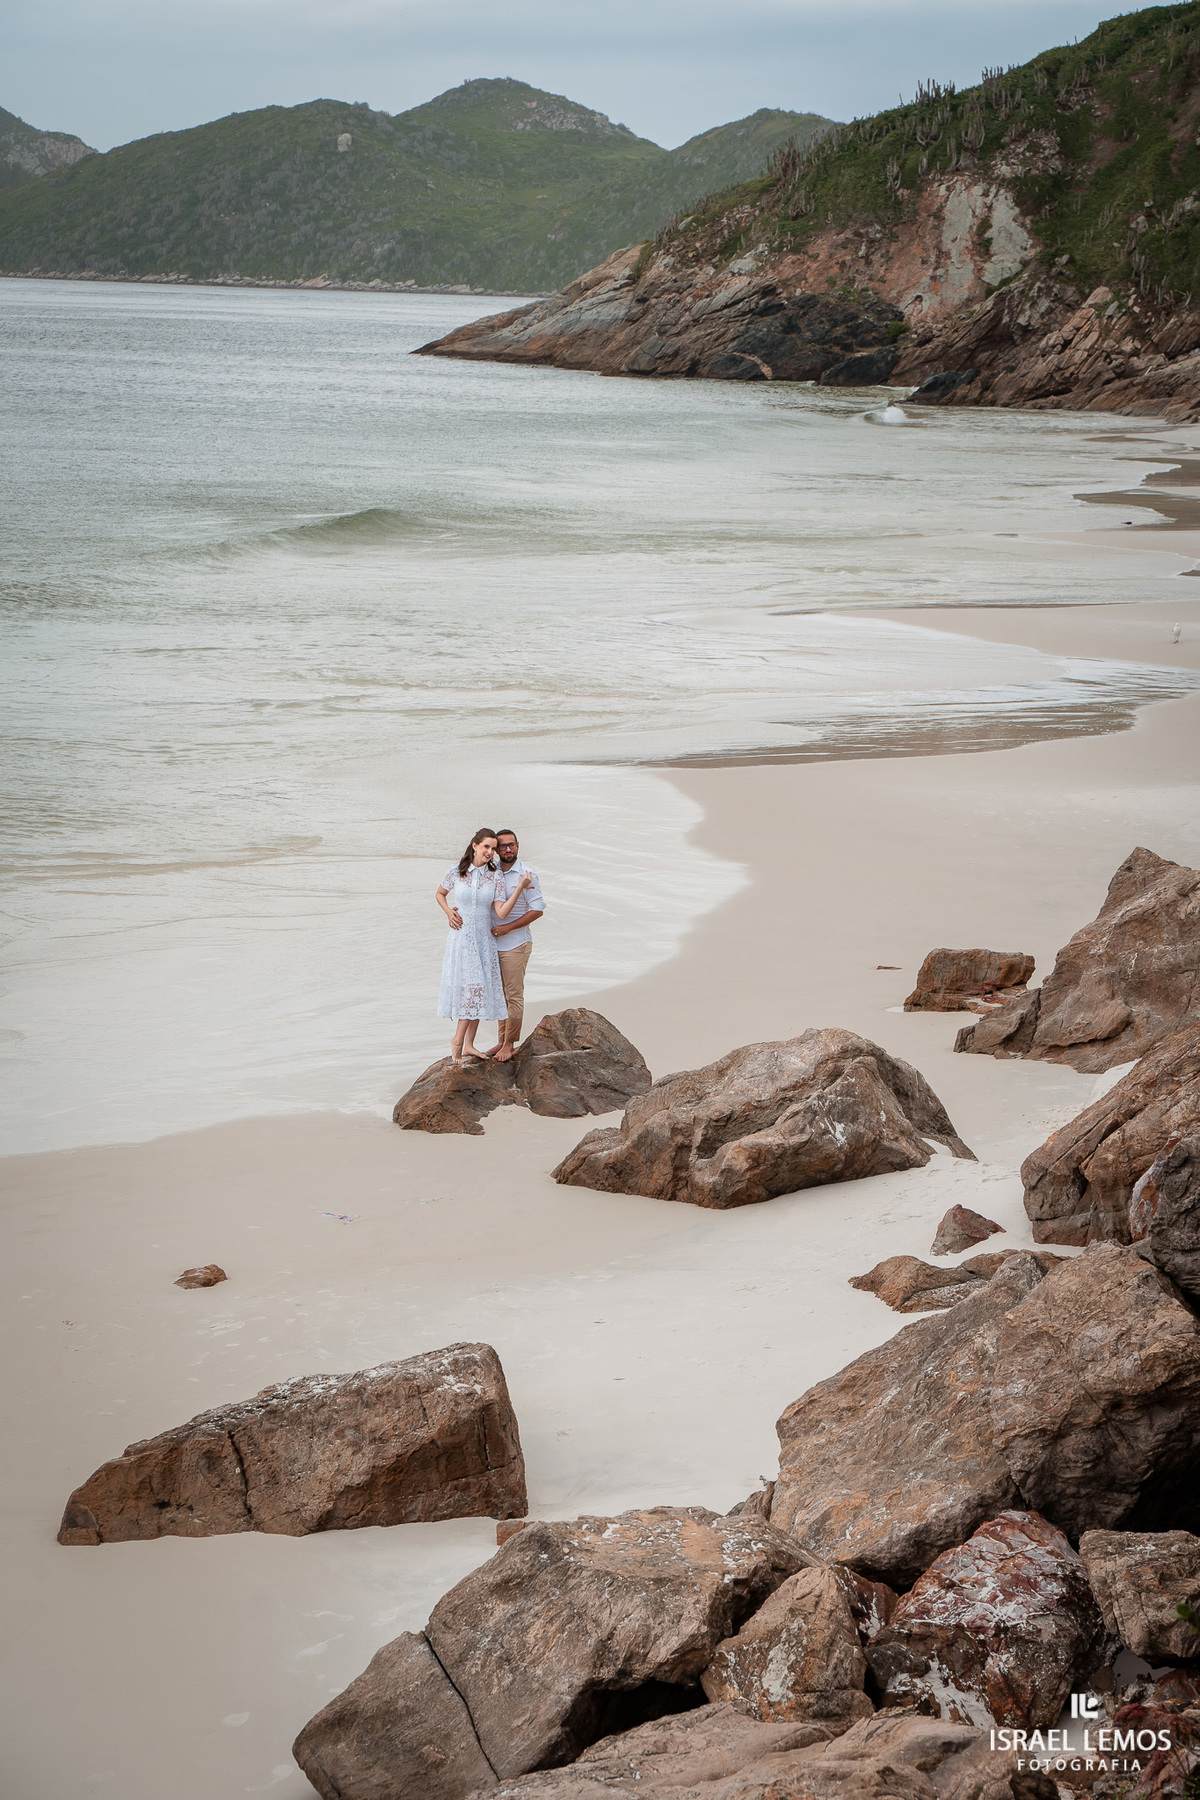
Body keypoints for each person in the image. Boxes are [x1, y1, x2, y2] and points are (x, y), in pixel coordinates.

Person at [436, 829, 533, 1066]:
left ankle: (468, 1044)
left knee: (478, 990)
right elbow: (440, 893)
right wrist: (448, 912)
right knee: (471, 988)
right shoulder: (456, 871)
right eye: (486, 847)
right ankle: (457, 1041)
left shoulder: (495, 876)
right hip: (461, 939)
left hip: (484, 940)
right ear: (475, 846)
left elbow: (501, 912)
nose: (490, 852)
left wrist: (520, 888)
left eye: (493, 848)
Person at [485, 828, 545, 1062]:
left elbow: (537, 910)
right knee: (500, 996)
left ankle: (510, 1044)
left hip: (516, 944)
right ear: (496, 849)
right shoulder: (491, 872)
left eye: (512, 845)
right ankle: (501, 1040)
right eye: (503, 846)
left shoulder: (526, 875)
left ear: (518, 846)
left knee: (513, 996)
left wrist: (508, 928)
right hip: (493, 944)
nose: (508, 849)